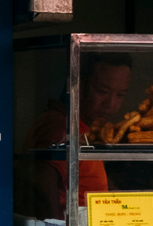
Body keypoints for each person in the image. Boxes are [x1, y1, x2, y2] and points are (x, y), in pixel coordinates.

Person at [26, 50, 135, 216]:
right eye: (102, 92)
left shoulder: (85, 130)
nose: (111, 104)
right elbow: (41, 187)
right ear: (78, 85)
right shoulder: (60, 127)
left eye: (120, 95)